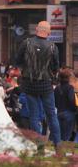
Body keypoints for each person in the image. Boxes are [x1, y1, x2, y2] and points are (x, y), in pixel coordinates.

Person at [16, 21, 61, 152]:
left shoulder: (26, 43)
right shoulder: (53, 47)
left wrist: (26, 71)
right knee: (51, 115)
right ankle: (57, 145)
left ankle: (40, 147)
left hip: (29, 85)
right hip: (46, 85)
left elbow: (18, 61)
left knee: (34, 116)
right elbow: (55, 67)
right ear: (49, 32)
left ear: (36, 29)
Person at [54, 68, 76, 141]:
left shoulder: (57, 88)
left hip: (59, 112)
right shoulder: (70, 88)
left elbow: (55, 101)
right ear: (68, 77)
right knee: (66, 137)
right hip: (69, 113)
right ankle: (65, 152)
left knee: (59, 136)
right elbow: (71, 100)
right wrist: (75, 109)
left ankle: (58, 151)